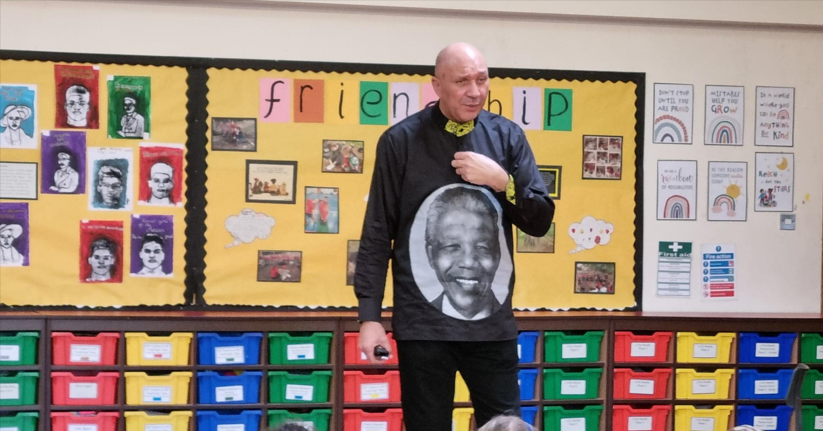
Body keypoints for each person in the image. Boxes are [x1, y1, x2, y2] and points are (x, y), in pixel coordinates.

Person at [354, 42, 554, 431]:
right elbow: (378, 230)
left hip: (492, 326)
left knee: (506, 426)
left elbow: (540, 220)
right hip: (423, 326)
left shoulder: (507, 137)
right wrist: (369, 317)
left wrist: (501, 181)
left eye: (482, 80)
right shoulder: (400, 141)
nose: (475, 91)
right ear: (437, 85)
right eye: (462, 81)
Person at [425, 186, 502, 320]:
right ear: (431, 255)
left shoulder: (504, 323)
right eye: (453, 247)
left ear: (497, 255)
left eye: (482, 248)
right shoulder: (420, 321)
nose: (468, 262)